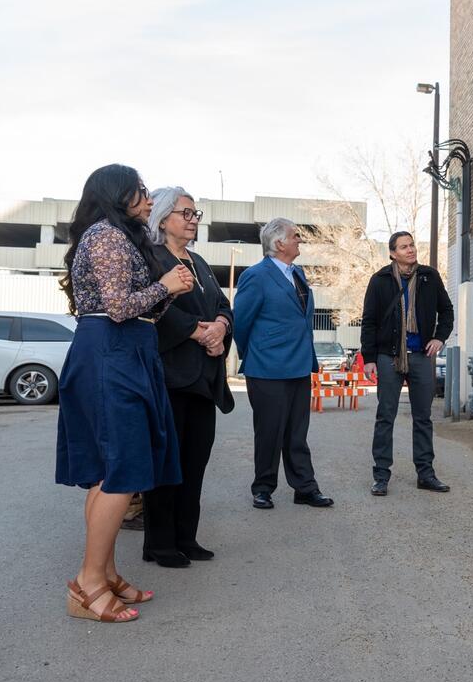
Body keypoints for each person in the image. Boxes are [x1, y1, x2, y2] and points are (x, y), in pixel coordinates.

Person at [55, 164, 195, 623]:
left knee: (108, 472)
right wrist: (165, 285)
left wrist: (168, 291)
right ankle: (88, 584)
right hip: (112, 355)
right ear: (120, 194)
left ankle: (106, 572)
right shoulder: (108, 237)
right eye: (142, 191)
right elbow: (118, 307)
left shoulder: (112, 236)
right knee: (121, 471)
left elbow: (136, 304)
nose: (149, 200)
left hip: (122, 352)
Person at [142, 187, 235, 567]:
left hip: (203, 379)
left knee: (195, 461)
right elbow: (152, 308)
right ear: (163, 218)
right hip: (169, 377)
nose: (194, 220)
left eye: (197, 214)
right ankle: (160, 543)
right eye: (187, 213)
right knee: (168, 462)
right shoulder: (152, 259)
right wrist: (197, 332)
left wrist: (221, 327)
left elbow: (222, 305)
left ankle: (187, 537)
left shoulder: (199, 261)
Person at [234, 218, 332, 510]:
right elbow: (242, 322)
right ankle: (263, 488)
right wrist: (252, 354)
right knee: (269, 431)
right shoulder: (256, 276)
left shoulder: (297, 273)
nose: (299, 240)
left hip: (299, 364)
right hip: (267, 367)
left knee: (297, 432)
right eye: (295, 236)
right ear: (279, 244)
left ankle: (304, 487)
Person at [361, 231, 454, 496]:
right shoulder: (379, 280)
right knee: (385, 416)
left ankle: (426, 474)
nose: (411, 250)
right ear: (393, 253)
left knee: (423, 417)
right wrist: (368, 359)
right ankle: (381, 476)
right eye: (404, 247)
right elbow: (368, 321)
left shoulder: (429, 277)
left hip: (422, 357)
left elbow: (446, 311)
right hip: (388, 357)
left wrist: (439, 337)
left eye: (412, 245)